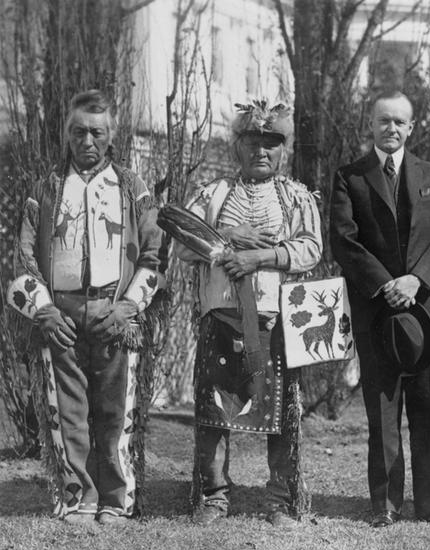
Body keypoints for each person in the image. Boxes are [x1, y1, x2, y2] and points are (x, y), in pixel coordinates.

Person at [10, 89, 165, 525]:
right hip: (59, 315)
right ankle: (79, 497)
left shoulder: (133, 188)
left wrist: (129, 307)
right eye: (79, 132)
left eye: (97, 132)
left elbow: (155, 255)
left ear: (111, 135)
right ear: (67, 135)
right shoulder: (46, 188)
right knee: (69, 409)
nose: (88, 141)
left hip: (114, 312)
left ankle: (117, 501)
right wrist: (44, 310)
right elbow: (22, 258)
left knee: (117, 411)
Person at [176, 100, 322, 527]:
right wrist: (225, 237)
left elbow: (311, 249)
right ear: (237, 146)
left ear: (283, 150)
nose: (261, 151)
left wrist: (260, 256)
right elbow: (183, 245)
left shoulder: (295, 196)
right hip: (220, 318)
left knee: (280, 413)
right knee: (213, 411)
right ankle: (213, 496)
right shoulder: (212, 194)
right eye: (252, 142)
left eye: (271, 144)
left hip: (275, 322)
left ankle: (278, 499)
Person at [330, 91, 430, 527]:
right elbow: (344, 241)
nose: (392, 129)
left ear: (411, 127)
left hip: (425, 311)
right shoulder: (350, 177)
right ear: (371, 124)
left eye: (400, 122)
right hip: (377, 311)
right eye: (384, 120)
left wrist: (416, 280)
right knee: (383, 411)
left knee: (427, 409)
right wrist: (387, 285)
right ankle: (384, 505)